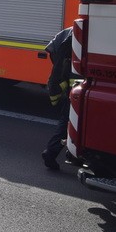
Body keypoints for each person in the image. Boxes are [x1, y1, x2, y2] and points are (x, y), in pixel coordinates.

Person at [41, 27, 82, 170]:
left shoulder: (72, 30)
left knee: (69, 121)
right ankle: (52, 152)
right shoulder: (92, 29)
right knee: (70, 122)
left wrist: (64, 71)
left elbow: (52, 49)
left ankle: (65, 153)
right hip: (81, 86)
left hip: (72, 85)